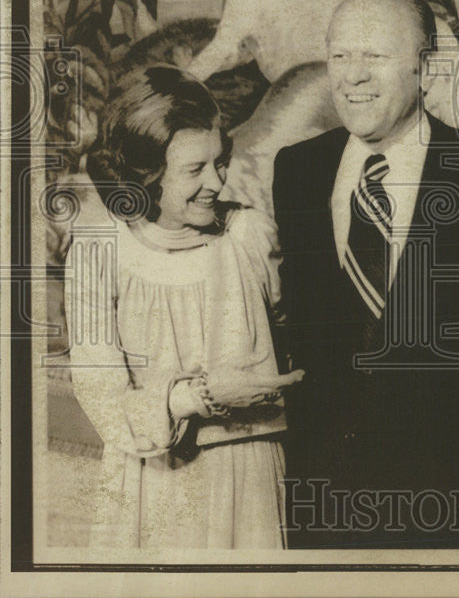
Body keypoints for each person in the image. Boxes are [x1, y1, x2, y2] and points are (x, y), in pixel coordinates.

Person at [272, 0, 459, 546]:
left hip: (455, 498)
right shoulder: (298, 170)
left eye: (373, 57)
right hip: (323, 496)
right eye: (339, 56)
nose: (351, 77)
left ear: (427, 71)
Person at [66, 66, 304, 549]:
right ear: (144, 173)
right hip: (149, 480)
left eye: (219, 162)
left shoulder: (251, 236)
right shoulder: (98, 252)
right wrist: (202, 397)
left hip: (249, 472)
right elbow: (104, 401)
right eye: (194, 170)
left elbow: (295, 338)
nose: (216, 183)